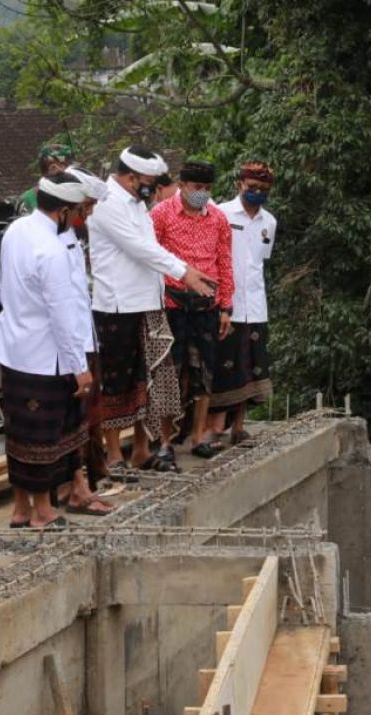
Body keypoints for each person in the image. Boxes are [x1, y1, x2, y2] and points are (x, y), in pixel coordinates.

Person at [88, 146, 217, 475]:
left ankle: (142, 451)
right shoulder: (107, 205)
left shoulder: (137, 204)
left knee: (149, 381)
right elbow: (141, 249)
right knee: (117, 383)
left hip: (148, 303)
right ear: (131, 177)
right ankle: (114, 454)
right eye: (149, 181)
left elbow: (151, 249)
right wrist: (183, 271)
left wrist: (179, 272)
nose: (153, 187)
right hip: (117, 306)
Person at [0, 174, 92, 529]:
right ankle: (42, 511)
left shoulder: (16, 230)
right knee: (43, 439)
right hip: (44, 356)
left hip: (14, 348)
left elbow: (2, 286)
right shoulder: (51, 250)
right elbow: (62, 314)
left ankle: (20, 508)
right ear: (64, 211)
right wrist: (79, 365)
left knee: (18, 434)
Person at [150, 161, 234, 458]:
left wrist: (226, 307)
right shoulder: (160, 215)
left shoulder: (218, 218)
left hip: (206, 306)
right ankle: (164, 442)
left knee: (204, 373)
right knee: (168, 373)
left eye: (208, 189)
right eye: (198, 188)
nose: (203, 194)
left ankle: (198, 437)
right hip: (171, 304)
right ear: (182, 184)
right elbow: (151, 257)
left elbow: (224, 262)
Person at [60, 165, 117, 508]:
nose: (90, 214)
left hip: (85, 337)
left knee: (88, 417)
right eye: (87, 207)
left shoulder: (74, 237)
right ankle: (75, 486)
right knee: (74, 420)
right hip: (68, 347)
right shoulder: (54, 237)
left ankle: (83, 483)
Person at [209, 161, 278, 443]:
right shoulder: (220, 213)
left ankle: (239, 427)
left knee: (251, 367)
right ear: (240, 184)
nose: (256, 193)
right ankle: (213, 428)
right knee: (224, 367)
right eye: (252, 187)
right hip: (227, 304)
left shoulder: (269, 222)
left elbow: (260, 262)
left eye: (263, 189)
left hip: (256, 305)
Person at [18, 141, 75, 214]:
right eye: (53, 166)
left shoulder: (78, 196)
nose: (59, 170)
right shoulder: (28, 198)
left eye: (64, 165)